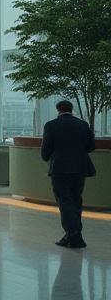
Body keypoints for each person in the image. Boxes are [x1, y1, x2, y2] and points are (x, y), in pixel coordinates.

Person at [41, 100, 95, 249]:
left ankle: (73, 234)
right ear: (71, 110)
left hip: (59, 168)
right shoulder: (82, 125)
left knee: (64, 200)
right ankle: (74, 234)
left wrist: (49, 157)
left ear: (58, 110)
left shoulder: (51, 125)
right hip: (80, 168)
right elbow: (91, 146)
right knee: (76, 199)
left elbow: (45, 151)